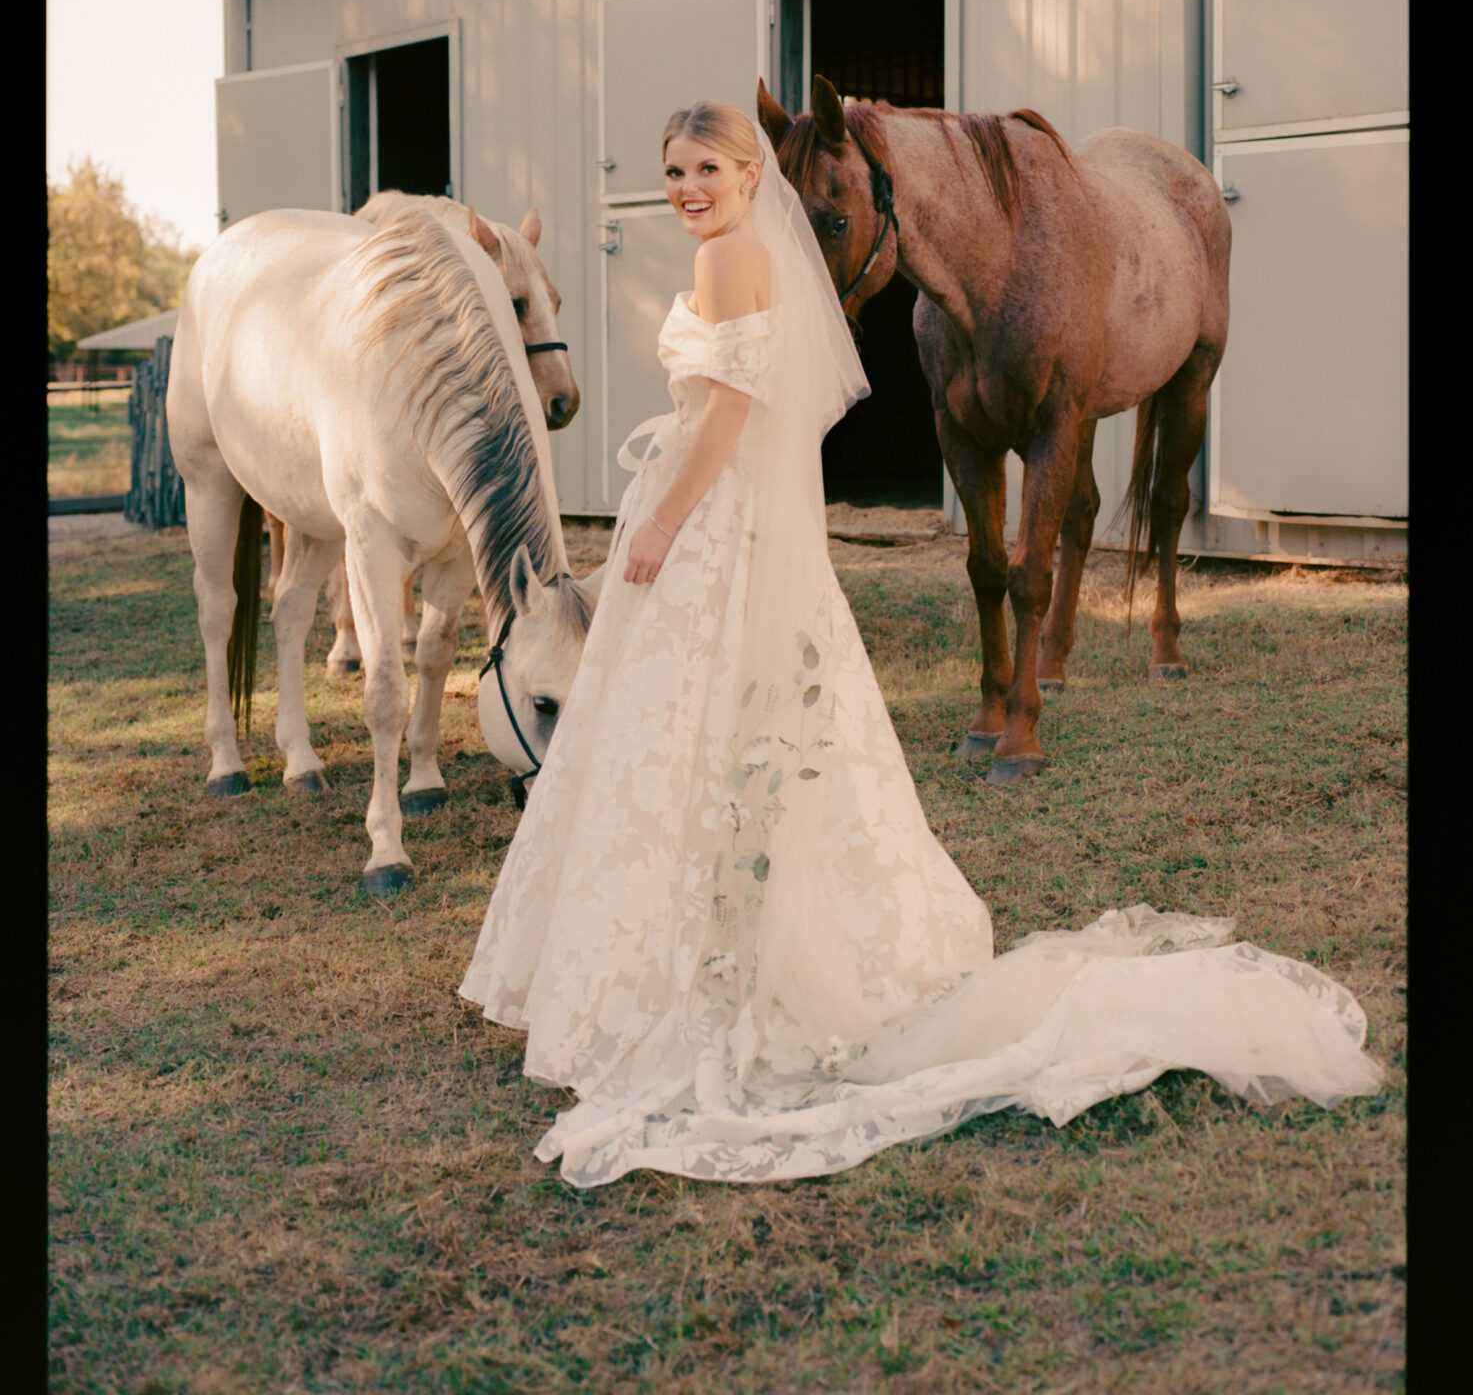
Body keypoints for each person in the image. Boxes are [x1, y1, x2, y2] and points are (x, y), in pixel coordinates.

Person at [458, 100, 1380, 1189]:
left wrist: (654, 523)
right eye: (671, 170)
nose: (687, 187)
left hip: (703, 511)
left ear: (754, 172)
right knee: (749, 717)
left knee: (691, 721)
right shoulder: (752, 250)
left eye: (707, 166)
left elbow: (724, 417)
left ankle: (693, 944)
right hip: (737, 512)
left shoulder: (725, 264)